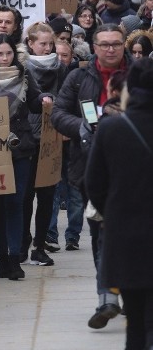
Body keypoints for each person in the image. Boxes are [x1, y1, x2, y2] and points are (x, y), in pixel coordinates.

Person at [51, 24, 130, 324]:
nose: (110, 49)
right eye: (105, 44)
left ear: (123, 45)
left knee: (127, 233)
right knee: (100, 231)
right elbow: (59, 113)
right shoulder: (78, 76)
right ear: (94, 47)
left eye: (116, 44)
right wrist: (81, 128)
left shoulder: (139, 73)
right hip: (90, 167)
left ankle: (123, 291)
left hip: (132, 170)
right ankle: (107, 295)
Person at [0, 34, 51, 280]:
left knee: (16, 202)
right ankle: (3, 260)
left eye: (9, 54)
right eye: (0, 54)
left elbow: (35, 102)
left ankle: (15, 258)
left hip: (21, 147)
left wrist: (44, 99)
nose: (5, 59)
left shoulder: (24, 75)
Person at [86, 58, 153, 349]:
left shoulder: (112, 128)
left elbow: (94, 185)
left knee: (135, 320)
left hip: (127, 235)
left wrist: (116, 210)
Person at [21, 23, 67, 267]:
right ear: (30, 44)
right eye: (43, 44)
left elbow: (67, 96)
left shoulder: (60, 67)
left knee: (47, 196)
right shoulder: (23, 68)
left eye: (50, 43)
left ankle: (40, 245)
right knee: (26, 195)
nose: (47, 48)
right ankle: (22, 243)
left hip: (51, 136)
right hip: (29, 137)